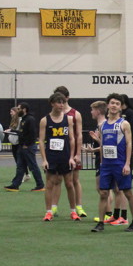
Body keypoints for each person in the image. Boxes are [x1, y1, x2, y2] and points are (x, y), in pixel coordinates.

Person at [91, 94, 133, 232]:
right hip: (106, 165)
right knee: (103, 193)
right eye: (112, 103)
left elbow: (129, 144)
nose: (114, 105)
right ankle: (100, 223)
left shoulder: (124, 124)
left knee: (127, 192)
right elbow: (104, 145)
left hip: (120, 163)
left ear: (120, 107)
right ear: (108, 105)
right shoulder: (102, 125)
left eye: (117, 104)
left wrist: (127, 164)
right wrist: (102, 163)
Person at [38, 92, 78, 221]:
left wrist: (71, 157)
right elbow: (41, 141)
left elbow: (71, 139)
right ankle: (48, 212)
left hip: (65, 156)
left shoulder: (68, 119)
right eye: (59, 102)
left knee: (69, 184)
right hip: (51, 156)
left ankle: (73, 211)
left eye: (63, 102)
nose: (61, 105)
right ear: (52, 104)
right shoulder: (45, 120)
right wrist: (44, 160)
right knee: (50, 184)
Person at [54, 86, 87, 218]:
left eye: (62, 99)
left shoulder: (75, 114)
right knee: (56, 179)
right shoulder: (54, 114)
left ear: (67, 98)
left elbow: (79, 135)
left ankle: (78, 207)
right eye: (57, 99)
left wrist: (77, 154)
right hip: (58, 150)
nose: (60, 102)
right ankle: (53, 207)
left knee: (74, 180)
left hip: (71, 150)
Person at [3, 102, 45, 192]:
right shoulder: (23, 119)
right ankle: (15, 185)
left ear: (24, 109)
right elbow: (22, 133)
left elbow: (32, 134)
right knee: (20, 166)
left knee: (33, 166)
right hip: (22, 146)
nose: (17, 110)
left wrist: (27, 144)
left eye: (19, 109)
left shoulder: (30, 119)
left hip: (28, 146)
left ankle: (40, 185)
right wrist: (12, 131)